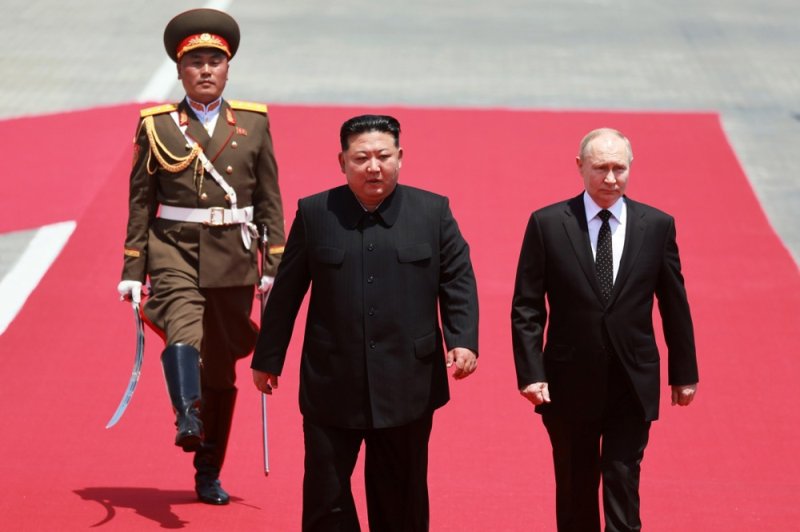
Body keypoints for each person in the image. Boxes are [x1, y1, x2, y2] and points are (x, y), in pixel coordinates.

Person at [251, 114, 479, 531]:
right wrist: (268, 357)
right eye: (361, 158)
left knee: (401, 495)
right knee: (326, 494)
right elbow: (286, 292)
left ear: (400, 157)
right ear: (342, 161)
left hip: (409, 381)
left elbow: (457, 279)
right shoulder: (316, 212)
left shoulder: (433, 212)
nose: (374, 167)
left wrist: (462, 340)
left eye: (383, 156)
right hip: (331, 380)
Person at [116, 8, 285, 505]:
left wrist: (273, 261)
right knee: (183, 326)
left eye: (215, 60)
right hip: (174, 250)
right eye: (195, 62)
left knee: (222, 370)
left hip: (234, 256)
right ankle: (186, 413)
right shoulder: (157, 125)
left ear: (228, 68)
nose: (206, 70)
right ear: (179, 71)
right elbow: (140, 201)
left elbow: (271, 197)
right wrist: (132, 268)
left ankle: (208, 468)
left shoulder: (252, 123)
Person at [511, 128, 699, 531]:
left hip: (632, 381)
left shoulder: (657, 225)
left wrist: (684, 373)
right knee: (576, 485)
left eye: (619, 168)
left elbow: (674, 304)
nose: (611, 178)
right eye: (600, 168)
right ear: (580, 167)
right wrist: (531, 373)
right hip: (568, 381)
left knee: (622, 479)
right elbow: (527, 306)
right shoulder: (547, 224)